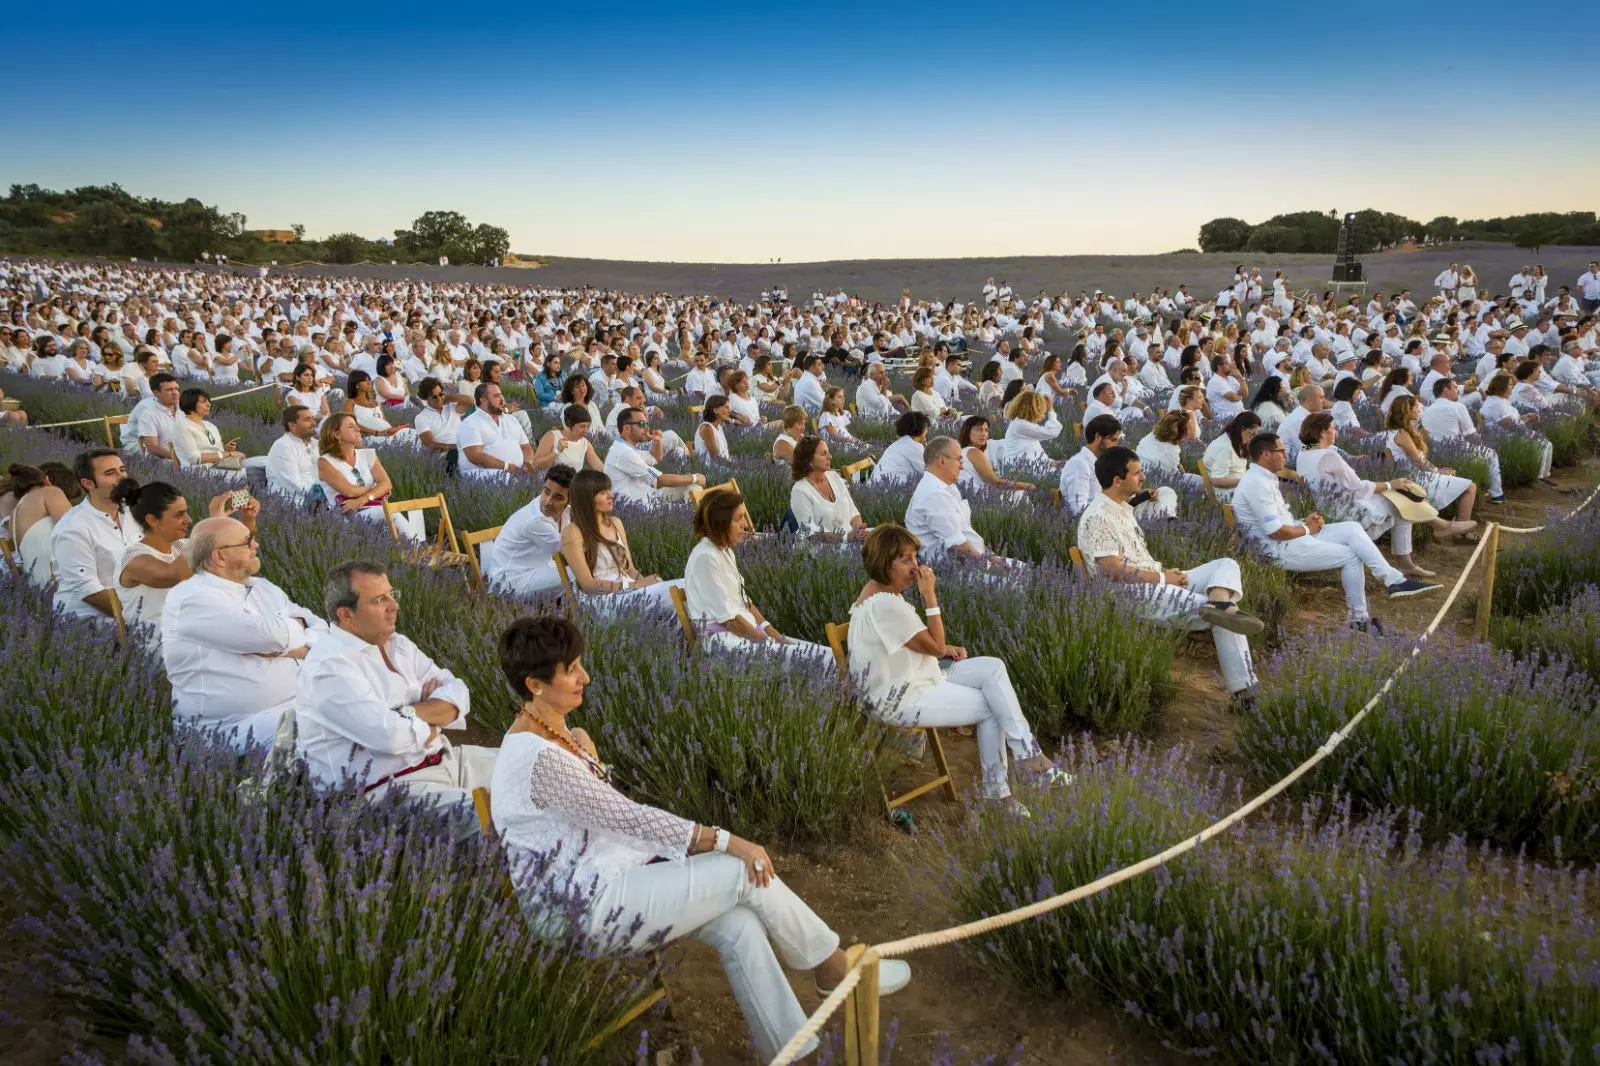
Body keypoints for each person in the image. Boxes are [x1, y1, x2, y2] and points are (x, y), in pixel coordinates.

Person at [488, 616, 908, 1064]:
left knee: (739, 926)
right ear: (534, 684)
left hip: (607, 876)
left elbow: (603, 818)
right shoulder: (541, 759)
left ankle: (790, 1054)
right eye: (571, 669)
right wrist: (727, 840)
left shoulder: (553, 734)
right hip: (580, 907)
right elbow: (629, 819)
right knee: (739, 871)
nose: (585, 677)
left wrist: (585, 749)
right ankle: (835, 969)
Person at [848, 524, 1068, 798]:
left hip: (912, 675)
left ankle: (1027, 755)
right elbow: (934, 645)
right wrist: (929, 595)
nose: (915, 567)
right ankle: (998, 795)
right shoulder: (887, 605)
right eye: (905, 560)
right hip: (901, 696)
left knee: (993, 668)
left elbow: (911, 642)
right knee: (992, 705)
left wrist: (943, 649)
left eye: (915, 558)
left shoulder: (873, 592)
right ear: (883, 562)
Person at [297, 561, 496, 807]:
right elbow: (391, 738)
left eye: (392, 595)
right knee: (501, 817)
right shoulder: (329, 667)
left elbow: (459, 692)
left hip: (444, 760)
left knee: (537, 765)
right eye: (380, 600)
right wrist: (436, 720)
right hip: (390, 790)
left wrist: (406, 714)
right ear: (346, 615)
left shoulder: (397, 645)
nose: (394, 606)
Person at [1077, 448, 1261, 706]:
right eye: (1137, 472)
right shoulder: (1098, 516)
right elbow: (1111, 570)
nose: (1143, 477)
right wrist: (1163, 579)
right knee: (1223, 618)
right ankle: (1245, 692)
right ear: (1118, 479)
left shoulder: (1121, 508)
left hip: (1153, 580)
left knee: (1226, 564)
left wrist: (1164, 574)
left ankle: (1219, 601)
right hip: (1131, 594)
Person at [1231, 434, 1439, 631]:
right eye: (1281, 451)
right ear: (1265, 454)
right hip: (1278, 549)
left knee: (1352, 528)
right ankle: (1358, 618)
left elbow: (1279, 522)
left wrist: (1304, 522)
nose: (1286, 455)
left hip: (1292, 537)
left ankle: (1394, 581)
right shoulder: (1257, 484)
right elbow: (1275, 533)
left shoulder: (1264, 477)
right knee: (1350, 556)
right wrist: (1306, 529)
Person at [162, 515, 328, 747]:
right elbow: (275, 635)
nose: (256, 545)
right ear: (219, 556)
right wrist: (289, 632)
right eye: (246, 542)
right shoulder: (191, 599)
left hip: (298, 702)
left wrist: (287, 647)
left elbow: (320, 627)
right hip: (233, 728)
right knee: (335, 733)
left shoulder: (262, 586)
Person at [1296, 412, 1473, 579]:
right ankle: (1440, 528)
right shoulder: (1329, 455)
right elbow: (1357, 486)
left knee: (1401, 505)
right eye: (1333, 428)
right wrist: (1391, 483)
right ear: (1322, 432)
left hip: (1329, 506)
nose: (1335, 432)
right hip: (1348, 508)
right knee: (1402, 502)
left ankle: (1415, 555)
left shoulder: (1303, 454)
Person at [684, 488, 826, 660]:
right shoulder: (706, 558)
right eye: (738, 519)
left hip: (746, 633)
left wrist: (774, 634)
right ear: (719, 523)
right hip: (725, 642)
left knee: (824, 654)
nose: (745, 524)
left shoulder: (724, 550)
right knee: (817, 659)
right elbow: (729, 621)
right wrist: (766, 641)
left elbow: (744, 601)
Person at [116, 482, 254, 632]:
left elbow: (239, 556)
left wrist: (248, 519)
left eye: (186, 513)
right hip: (158, 643)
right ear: (152, 520)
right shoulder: (133, 559)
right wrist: (213, 524)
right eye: (179, 515)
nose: (188, 520)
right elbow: (175, 574)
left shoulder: (182, 546)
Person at [559, 469, 683, 610]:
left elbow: (630, 570)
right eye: (602, 493)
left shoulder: (615, 523)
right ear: (586, 498)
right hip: (605, 601)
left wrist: (645, 582)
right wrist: (633, 586)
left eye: (609, 490)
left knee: (684, 588)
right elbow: (587, 585)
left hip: (629, 591)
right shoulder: (573, 532)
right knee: (678, 593)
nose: (611, 496)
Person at [50, 449, 144, 621]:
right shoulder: (73, 528)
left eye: (122, 470)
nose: (122, 477)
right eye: (110, 473)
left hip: (134, 605)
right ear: (88, 484)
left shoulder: (133, 511)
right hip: (92, 620)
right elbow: (88, 591)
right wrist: (138, 617)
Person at [905, 437, 1014, 571]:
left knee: (1027, 571)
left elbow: (966, 533)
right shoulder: (934, 494)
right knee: (1027, 579)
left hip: (974, 561)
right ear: (942, 460)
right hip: (958, 571)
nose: (962, 466)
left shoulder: (946, 488)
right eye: (958, 460)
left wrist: (990, 556)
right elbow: (957, 544)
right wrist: (991, 565)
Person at [316, 412, 417, 540]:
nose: (358, 429)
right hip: (347, 516)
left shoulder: (368, 455)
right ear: (337, 435)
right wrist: (378, 491)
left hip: (371, 508)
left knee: (393, 514)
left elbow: (387, 484)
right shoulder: (325, 462)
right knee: (391, 514)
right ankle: (418, 551)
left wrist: (363, 499)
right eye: (351, 426)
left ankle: (412, 554)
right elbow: (350, 491)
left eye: (356, 425)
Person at [1383, 396, 1478, 530]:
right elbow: (1419, 461)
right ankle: (1462, 532)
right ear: (1407, 410)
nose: (1419, 409)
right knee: (1470, 487)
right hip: (1415, 479)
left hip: (1411, 476)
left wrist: (1437, 470)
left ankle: (1455, 528)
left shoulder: (1395, 432)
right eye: (1416, 407)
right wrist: (1437, 471)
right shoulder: (1402, 434)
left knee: (1460, 480)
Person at [1059, 414, 1177, 518]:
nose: (1116, 445)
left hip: (1118, 509)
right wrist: (1120, 505)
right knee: (1162, 506)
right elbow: (1079, 510)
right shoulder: (1080, 464)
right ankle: (1167, 525)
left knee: (1165, 492)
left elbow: (1114, 493)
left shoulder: (1103, 461)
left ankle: (1168, 523)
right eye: (1113, 440)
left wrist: (1136, 497)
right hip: (1105, 519)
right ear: (1098, 437)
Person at [483, 467, 574, 599]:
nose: (548, 501)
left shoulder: (567, 512)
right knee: (578, 573)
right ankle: (586, 613)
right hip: (509, 581)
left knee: (588, 570)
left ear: (570, 501)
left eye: (557, 497)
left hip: (536, 570)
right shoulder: (535, 521)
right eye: (546, 492)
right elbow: (571, 552)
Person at [604, 409, 705, 505]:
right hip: (644, 508)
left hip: (650, 497)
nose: (647, 428)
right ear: (627, 428)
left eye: (647, 423)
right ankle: (690, 519)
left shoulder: (626, 449)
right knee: (694, 486)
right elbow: (659, 479)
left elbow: (655, 458)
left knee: (693, 485)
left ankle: (690, 514)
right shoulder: (625, 453)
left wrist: (657, 441)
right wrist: (694, 477)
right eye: (642, 424)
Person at [7, 462, 75, 586]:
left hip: (38, 584)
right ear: (46, 479)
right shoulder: (49, 492)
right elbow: (75, 528)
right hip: (62, 576)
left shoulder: (13, 515)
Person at [789, 436, 868, 542]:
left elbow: (853, 513)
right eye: (823, 454)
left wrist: (858, 533)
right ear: (809, 460)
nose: (830, 456)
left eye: (828, 452)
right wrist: (845, 538)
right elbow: (810, 534)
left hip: (849, 544)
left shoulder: (834, 477)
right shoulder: (800, 490)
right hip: (823, 551)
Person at [458, 382, 535, 478]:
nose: (502, 399)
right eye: (497, 396)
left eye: (501, 394)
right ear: (483, 400)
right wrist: (507, 467)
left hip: (515, 471)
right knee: (509, 479)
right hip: (481, 473)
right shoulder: (470, 423)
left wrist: (527, 465)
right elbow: (475, 456)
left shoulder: (511, 420)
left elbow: (526, 447)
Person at [173, 387, 248, 474]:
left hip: (221, 464)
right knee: (251, 474)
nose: (209, 404)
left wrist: (226, 449)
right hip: (200, 471)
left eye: (208, 401)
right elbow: (195, 458)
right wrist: (229, 454)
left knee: (262, 464)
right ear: (191, 403)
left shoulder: (210, 426)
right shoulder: (182, 426)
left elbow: (219, 453)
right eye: (203, 402)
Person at [957, 416, 1034, 496]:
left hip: (970, 499)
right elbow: (996, 482)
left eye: (986, 430)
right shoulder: (973, 452)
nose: (984, 434)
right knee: (1018, 494)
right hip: (976, 501)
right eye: (979, 430)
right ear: (967, 432)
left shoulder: (963, 452)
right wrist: (1027, 486)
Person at [1200, 412, 1261, 502]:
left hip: (1236, 489)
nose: (1253, 438)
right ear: (1243, 429)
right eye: (1252, 434)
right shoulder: (1225, 447)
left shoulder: (1235, 442)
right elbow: (1216, 480)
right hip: (1225, 494)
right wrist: (1244, 481)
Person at [267, 404, 321, 503]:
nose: (314, 423)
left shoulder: (316, 444)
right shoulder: (283, 447)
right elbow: (294, 485)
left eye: (313, 418)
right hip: (295, 502)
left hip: (320, 498)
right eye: (307, 419)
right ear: (292, 425)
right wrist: (324, 493)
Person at [1134, 410, 1202, 489]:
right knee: (1200, 481)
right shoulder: (1169, 452)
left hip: (1143, 478)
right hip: (1157, 486)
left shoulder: (1153, 435)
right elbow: (1174, 477)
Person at [997, 389, 1062, 470]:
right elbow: (1052, 432)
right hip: (1022, 475)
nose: (1043, 411)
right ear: (1034, 409)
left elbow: (1040, 458)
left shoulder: (1024, 426)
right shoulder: (1019, 425)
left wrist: (1056, 463)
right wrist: (1051, 409)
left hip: (1032, 471)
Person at [123, 371, 181, 460]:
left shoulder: (184, 409)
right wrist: (178, 457)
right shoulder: (147, 412)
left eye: (176, 389)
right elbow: (152, 448)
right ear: (156, 393)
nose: (175, 393)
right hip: (165, 459)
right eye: (169, 390)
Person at [533, 404, 606, 473]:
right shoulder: (552, 437)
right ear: (570, 423)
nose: (586, 431)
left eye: (588, 426)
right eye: (582, 426)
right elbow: (536, 465)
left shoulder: (585, 443)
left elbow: (598, 466)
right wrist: (557, 451)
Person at [414, 376, 468, 461]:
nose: (439, 399)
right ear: (426, 398)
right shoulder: (421, 417)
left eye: (440, 394)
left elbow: (469, 400)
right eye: (434, 397)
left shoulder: (452, 407)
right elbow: (431, 444)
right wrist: (455, 446)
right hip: (444, 454)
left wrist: (448, 398)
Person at [877, 410, 931, 482]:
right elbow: (930, 472)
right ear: (921, 428)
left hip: (880, 484)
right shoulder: (913, 446)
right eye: (926, 427)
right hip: (889, 487)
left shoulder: (902, 442)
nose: (927, 430)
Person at [695, 395, 734, 463]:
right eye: (726, 407)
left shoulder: (719, 427)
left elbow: (724, 454)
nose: (729, 411)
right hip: (713, 470)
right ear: (715, 410)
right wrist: (732, 463)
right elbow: (715, 457)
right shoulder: (707, 428)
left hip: (723, 466)